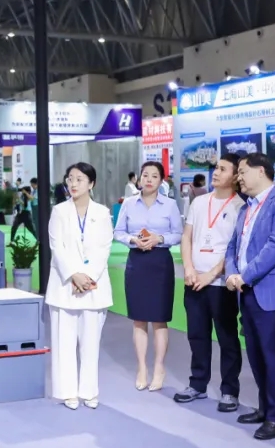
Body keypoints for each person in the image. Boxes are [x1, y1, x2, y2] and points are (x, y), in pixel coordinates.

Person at [224, 153, 275, 441]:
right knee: (255, 354)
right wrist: (232, 273)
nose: (238, 177)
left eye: (242, 171)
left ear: (261, 171)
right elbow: (233, 246)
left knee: (274, 356)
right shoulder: (245, 207)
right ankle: (265, 408)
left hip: (271, 292)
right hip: (246, 291)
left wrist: (244, 275)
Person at [174, 153, 243, 411]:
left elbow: (235, 249)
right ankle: (198, 384)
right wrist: (189, 268)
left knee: (227, 338)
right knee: (197, 335)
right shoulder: (199, 202)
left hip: (222, 284)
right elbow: (187, 237)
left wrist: (211, 274)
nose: (216, 172)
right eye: (216, 168)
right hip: (194, 280)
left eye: (223, 169)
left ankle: (229, 391)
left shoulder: (241, 207)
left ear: (235, 176)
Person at [46, 162, 114, 410]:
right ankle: (67, 392)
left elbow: (104, 248)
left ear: (91, 184)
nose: (73, 184)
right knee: (64, 343)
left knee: (90, 344)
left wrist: (87, 277)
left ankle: (89, 391)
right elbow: (57, 247)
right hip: (65, 286)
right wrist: (74, 275)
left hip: (93, 287)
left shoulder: (102, 213)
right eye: (70, 179)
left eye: (79, 179)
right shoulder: (59, 211)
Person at [114, 162, 184, 391]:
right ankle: (142, 368)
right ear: (139, 179)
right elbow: (118, 232)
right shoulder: (129, 203)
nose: (149, 180)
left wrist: (159, 239)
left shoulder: (170, 205)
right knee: (139, 318)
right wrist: (133, 240)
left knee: (159, 318)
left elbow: (178, 233)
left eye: (154, 176)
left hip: (160, 263)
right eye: (145, 175)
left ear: (161, 180)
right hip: (137, 262)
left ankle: (159, 367)